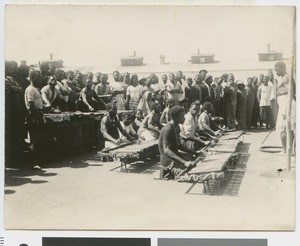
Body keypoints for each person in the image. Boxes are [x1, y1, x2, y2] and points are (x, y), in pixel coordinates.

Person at [158, 105, 223, 182]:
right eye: (182, 117)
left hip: (175, 157)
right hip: (168, 161)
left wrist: (195, 152)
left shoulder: (176, 127)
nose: (184, 118)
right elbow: (166, 150)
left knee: (195, 164)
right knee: (187, 175)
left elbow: (179, 145)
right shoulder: (168, 129)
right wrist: (184, 162)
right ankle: (211, 176)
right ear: (175, 117)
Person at [274, 61, 295, 154]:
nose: (276, 72)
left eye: (277, 70)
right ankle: (288, 150)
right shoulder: (283, 78)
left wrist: (287, 108)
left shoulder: (286, 78)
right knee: (288, 128)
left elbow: (290, 93)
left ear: (282, 68)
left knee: (284, 128)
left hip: (286, 104)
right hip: (284, 104)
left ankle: (286, 150)